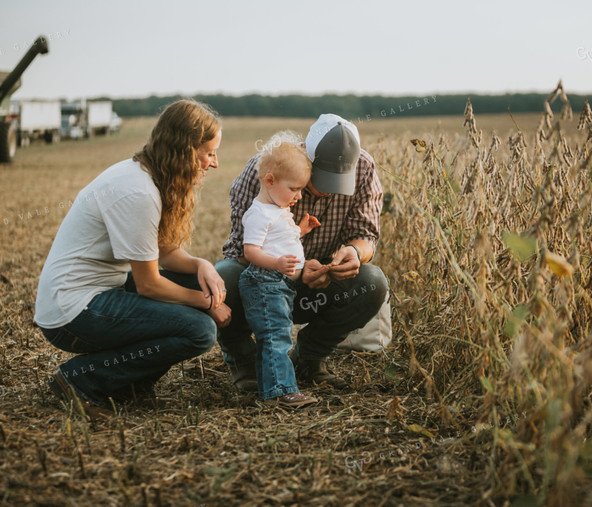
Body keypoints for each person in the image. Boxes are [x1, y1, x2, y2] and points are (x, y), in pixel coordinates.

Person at [34, 99, 231, 420]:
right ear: (185, 149)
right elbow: (149, 284)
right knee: (199, 331)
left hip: (98, 292)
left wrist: (202, 266)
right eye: (209, 152)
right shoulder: (138, 192)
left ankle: (129, 386)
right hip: (73, 311)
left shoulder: (143, 174)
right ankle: (82, 378)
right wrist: (205, 302)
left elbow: (163, 251)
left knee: (193, 292)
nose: (214, 163)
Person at [216, 114, 388, 392]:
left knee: (373, 283)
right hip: (263, 285)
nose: (325, 191)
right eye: (318, 179)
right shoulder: (262, 170)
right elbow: (242, 252)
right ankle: (243, 360)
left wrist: (355, 253)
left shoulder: (364, 168)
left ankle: (308, 358)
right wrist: (297, 267)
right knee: (224, 278)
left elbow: (366, 235)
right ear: (306, 155)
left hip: (320, 286)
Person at [238, 138, 320, 408]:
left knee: (276, 334)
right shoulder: (259, 213)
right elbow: (251, 251)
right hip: (265, 282)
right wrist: (274, 264)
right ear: (270, 180)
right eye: (294, 189)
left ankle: (271, 389)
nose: (298, 196)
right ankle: (281, 391)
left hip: (279, 285)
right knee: (276, 335)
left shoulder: (278, 209)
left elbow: (279, 239)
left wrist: (301, 231)